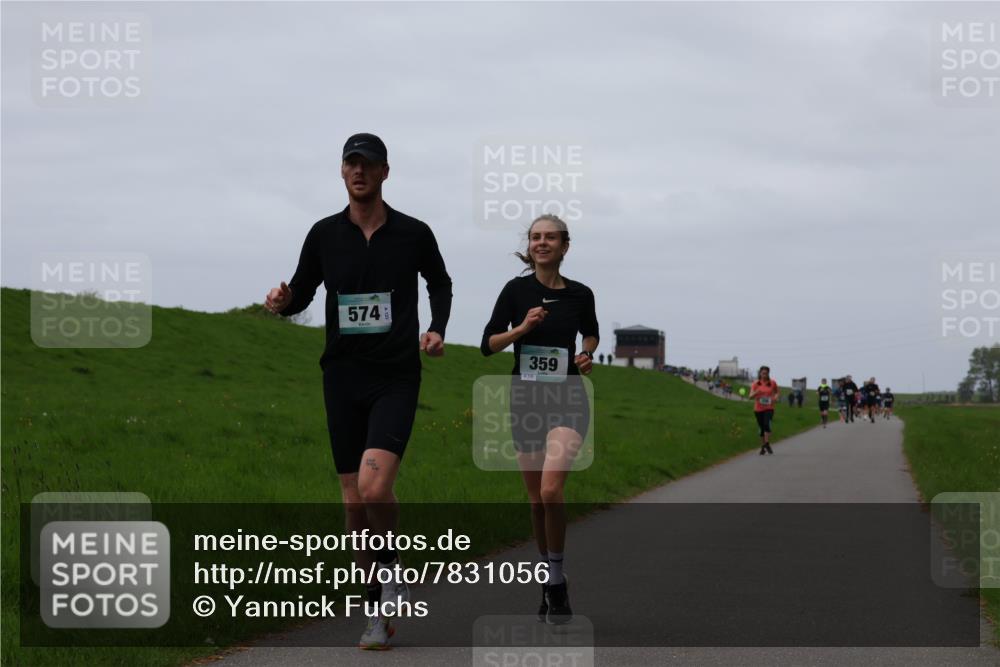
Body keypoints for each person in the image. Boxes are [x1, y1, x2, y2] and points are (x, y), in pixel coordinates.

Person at [265, 133, 453, 650]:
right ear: (342, 172)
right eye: (351, 163)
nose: (359, 171)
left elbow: (440, 281)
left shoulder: (414, 233)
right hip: (341, 376)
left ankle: (390, 570)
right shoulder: (324, 234)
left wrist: (437, 327)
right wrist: (281, 302)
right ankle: (375, 613)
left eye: (368, 163)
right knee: (352, 504)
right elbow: (302, 290)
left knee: (374, 490)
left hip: (395, 374)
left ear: (385, 172)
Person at [481, 213, 599, 625]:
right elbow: (488, 344)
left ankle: (555, 578)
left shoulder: (581, 294)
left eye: (550, 237)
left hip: (567, 397)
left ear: (565, 246)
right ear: (529, 246)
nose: (542, 243)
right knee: (535, 501)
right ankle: (551, 578)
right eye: (535, 237)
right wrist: (521, 328)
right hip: (526, 400)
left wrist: (587, 353)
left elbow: (591, 332)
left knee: (551, 491)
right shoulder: (515, 291)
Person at [749, 366, 779, 455]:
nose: (764, 375)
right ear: (760, 373)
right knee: (761, 428)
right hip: (758, 409)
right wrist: (756, 392)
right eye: (763, 373)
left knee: (766, 424)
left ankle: (766, 443)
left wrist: (775, 398)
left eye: (766, 373)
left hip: (769, 408)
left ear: (768, 374)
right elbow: (750, 396)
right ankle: (764, 446)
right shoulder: (755, 384)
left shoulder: (772, 383)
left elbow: (777, 392)